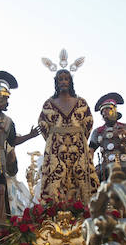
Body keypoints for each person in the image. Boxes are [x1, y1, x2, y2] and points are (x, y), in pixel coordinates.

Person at [0, 71, 40, 224]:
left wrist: (29, 136)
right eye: (4, 99)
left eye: (6, 99)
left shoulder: (8, 121)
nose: (6, 102)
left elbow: (12, 141)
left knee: (0, 190)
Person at [38, 69, 98, 203]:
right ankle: (53, 210)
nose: (64, 82)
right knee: (55, 176)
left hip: (78, 146)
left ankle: (84, 210)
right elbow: (43, 125)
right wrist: (53, 140)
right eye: (61, 79)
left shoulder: (81, 102)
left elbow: (88, 122)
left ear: (70, 82)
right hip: (56, 147)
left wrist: (80, 139)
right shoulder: (49, 103)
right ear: (56, 82)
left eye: (66, 79)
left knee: (82, 176)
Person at [89, 92, 126, 182]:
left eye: (107, 110)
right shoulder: (97, 132)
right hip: (106, 169)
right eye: (102, 113)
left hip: (124, 167)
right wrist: (90, 169)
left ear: (114, 110)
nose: (105, 114)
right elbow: (90, 151)